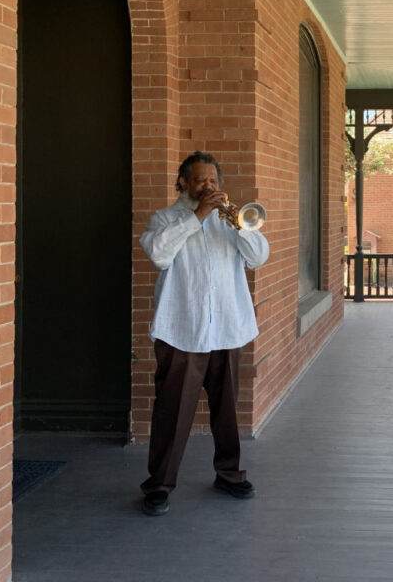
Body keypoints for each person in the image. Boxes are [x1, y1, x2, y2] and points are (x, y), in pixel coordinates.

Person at [138, 151, 269, 516]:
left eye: (213, 180)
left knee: (227, 410)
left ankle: (229, 474)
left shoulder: (231, 220)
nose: (208, 187)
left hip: (227, 327)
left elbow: (258, 257)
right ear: (183, 182)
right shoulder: (165, 219)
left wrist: (239, 226)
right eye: (200, 180)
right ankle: (159, 484)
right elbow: (158, 255)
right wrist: (196, 217)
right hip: (182, 329)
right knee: (172, 410)